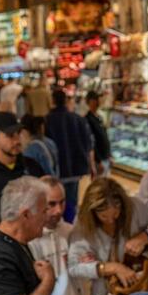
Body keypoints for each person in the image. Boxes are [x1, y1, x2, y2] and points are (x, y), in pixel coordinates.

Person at [45, 89, 93, 221]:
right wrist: (91, 166)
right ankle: (70, 225)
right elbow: (88, 144)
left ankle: (60, 226)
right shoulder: (78, 119)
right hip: (76, 168)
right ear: (66, 101)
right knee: (71, 202)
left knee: (56, 201)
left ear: (53, 101)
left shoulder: (48, 120)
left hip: (58, 170)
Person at [83, 91, 111, 177]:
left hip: (106, 158)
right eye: (94, 99)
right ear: (89, 102)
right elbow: (91, 143)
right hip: (99, 161)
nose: (97, 101)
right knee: (99, 187)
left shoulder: (99, 117)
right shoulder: (87, 119)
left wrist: (110, 155)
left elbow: (105, 137)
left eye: (97, 99)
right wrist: (97, 161)